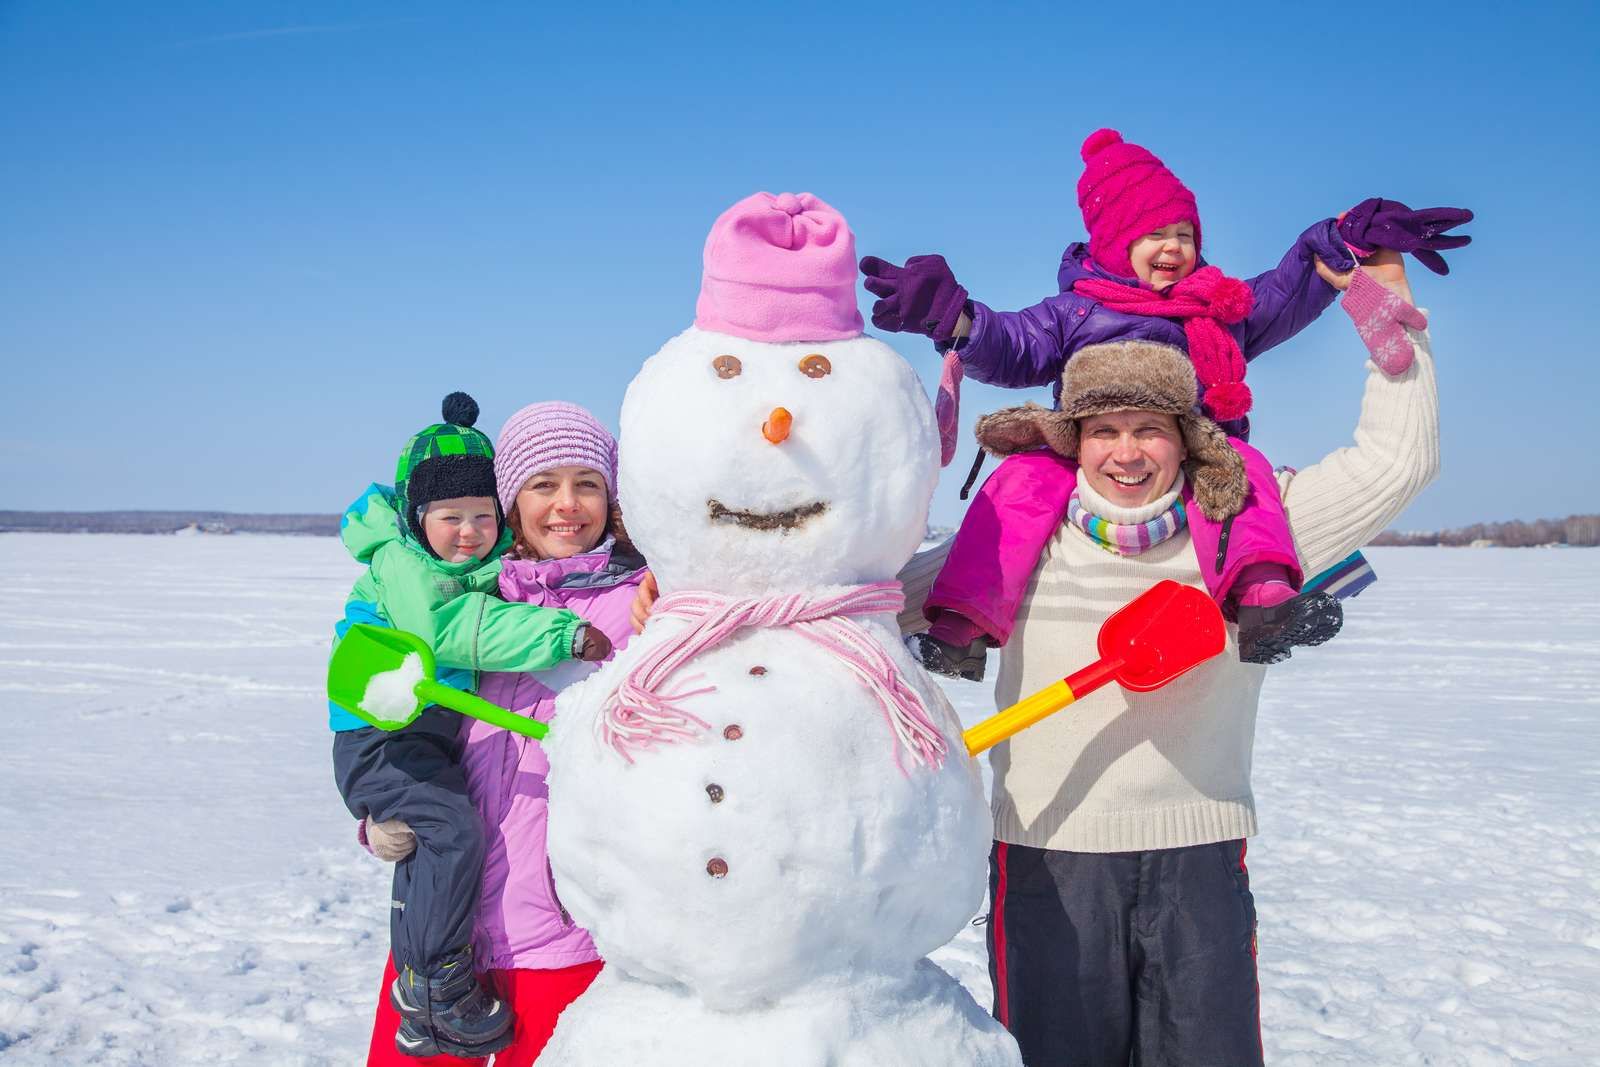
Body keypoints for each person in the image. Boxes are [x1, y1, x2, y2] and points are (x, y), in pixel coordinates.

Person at [901, 249, 1438, 1066]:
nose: (1126, 453)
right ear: (1072, 439)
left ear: (1186, 438)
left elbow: (1397, 464)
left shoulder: (1252, 528)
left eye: (1148, 429)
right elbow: (845, 598)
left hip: (1199, 864)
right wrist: (672, 593)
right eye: (1103, 430)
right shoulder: (1010, 537)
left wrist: (1386, 311)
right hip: (1049, 864)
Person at [859, 128, 1470, 675]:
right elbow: (1013, 343)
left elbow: (1288, 290)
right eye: (1155, 233)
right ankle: (962, 621)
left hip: (1197, 449)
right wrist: (958, 318)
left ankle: (1263, 598)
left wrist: (1338, 242)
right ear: (1114, 241)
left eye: (1184, 233)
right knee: (1016, 486)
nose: (1174, 247)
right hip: (1079, 450)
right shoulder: (1074, 311)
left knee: (1244, 475)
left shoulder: (1218, 305)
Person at [358, 401, 648, 1066]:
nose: (567, 505)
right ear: (511, 499)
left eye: (588, 484)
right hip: (440, 940)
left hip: (563, 937)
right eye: (543, 484)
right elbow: (405, 724)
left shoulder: (639, 606)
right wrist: (388, 806)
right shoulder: (464, 601)